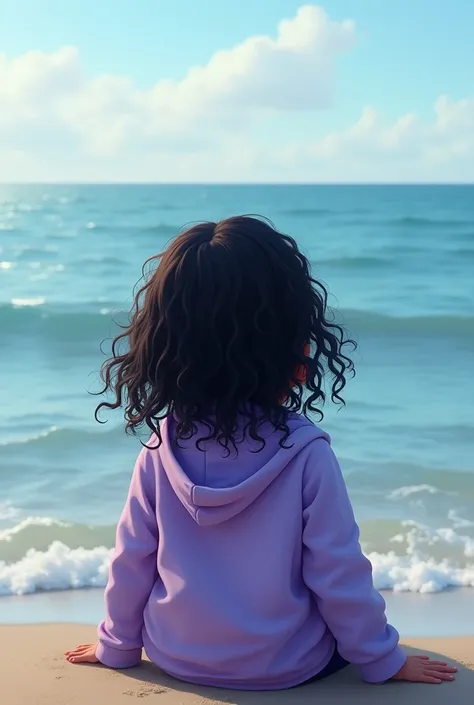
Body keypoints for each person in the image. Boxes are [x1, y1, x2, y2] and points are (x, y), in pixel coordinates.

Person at [65, 216, 456, 689]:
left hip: (175, 657)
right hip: (287, 666)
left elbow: (132, 559)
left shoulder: (159, 447)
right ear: (293, 347)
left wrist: (118, 647)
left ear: (168, 345)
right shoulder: (306, 453)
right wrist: (381, 661)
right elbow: (338, 574)